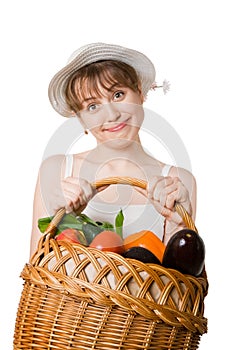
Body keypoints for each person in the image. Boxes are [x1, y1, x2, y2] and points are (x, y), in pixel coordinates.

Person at [30, 42, 196, 256]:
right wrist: (61, 219)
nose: (112, 115)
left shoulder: (177, 180)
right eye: (92, 106)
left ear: (139, 92)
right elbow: (36, 269)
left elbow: (181, 283)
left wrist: (179, 225)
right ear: (81, 119)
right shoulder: (58, 170)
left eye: (118, 94)